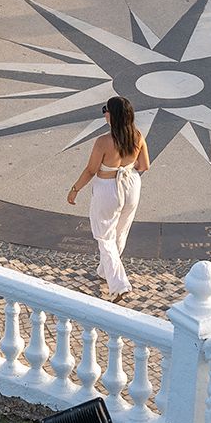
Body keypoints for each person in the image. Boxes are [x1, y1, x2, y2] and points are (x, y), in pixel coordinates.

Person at [66, 96, 150, 300]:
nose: (104, 113)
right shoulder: (137, 136)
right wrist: (127, 169)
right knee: (120, 231)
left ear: (113, 115)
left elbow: (90, 170)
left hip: (108, 188)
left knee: (104, 236)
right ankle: (105, 271)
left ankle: (119, 284)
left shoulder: (103, 141)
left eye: (106, 109)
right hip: (131, 185)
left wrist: (75, 189)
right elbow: (144, 166)